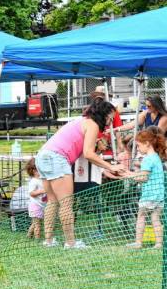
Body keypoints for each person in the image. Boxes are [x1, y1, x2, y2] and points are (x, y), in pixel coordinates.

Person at [35, 98, 125, 249]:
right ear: (103, 114)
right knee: (66, 203)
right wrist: (111, 167)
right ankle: (70, 243)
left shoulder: (81, 120)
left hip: (42, 155)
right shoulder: (93, 124)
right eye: (110, 118)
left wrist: (104, 166)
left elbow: (84, 151)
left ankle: (48, 241)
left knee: (52, 201)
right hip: (57, 158)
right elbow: (88, 154)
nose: (111, 122)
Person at [124, 128, 166, 249]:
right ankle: (158, 243)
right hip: (159, 195)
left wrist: (130, 176)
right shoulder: (157, 158)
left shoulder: (147, 159)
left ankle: (138, 242)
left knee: (141, 216)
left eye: (138, 145)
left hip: (149, 195)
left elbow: (143, 177)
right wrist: (131, 174)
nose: (137, 149)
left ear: (147, 143)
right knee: (155, 218)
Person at [25, 158, 46, 239]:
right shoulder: (34, 181)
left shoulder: (42, 180)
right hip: (35, 205)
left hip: (42, 205)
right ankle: (37, 239)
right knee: (37, 224)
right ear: (34, 170)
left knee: (35, 223)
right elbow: (31, 193)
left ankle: (28, 236)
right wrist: (42, 191)